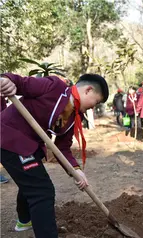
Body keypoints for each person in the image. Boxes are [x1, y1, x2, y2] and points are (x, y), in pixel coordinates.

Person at [0, 73, 109, 237]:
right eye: (97, 101)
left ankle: (24, 220)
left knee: (32, 180)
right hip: (9, 136)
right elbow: (22, 83)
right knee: (42, 190)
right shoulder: (54, 86)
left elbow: (62, 148)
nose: (94, 107)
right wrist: (7, 80)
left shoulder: (72, 117)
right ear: (88, 90)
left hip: (30, 146)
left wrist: (75, 170)